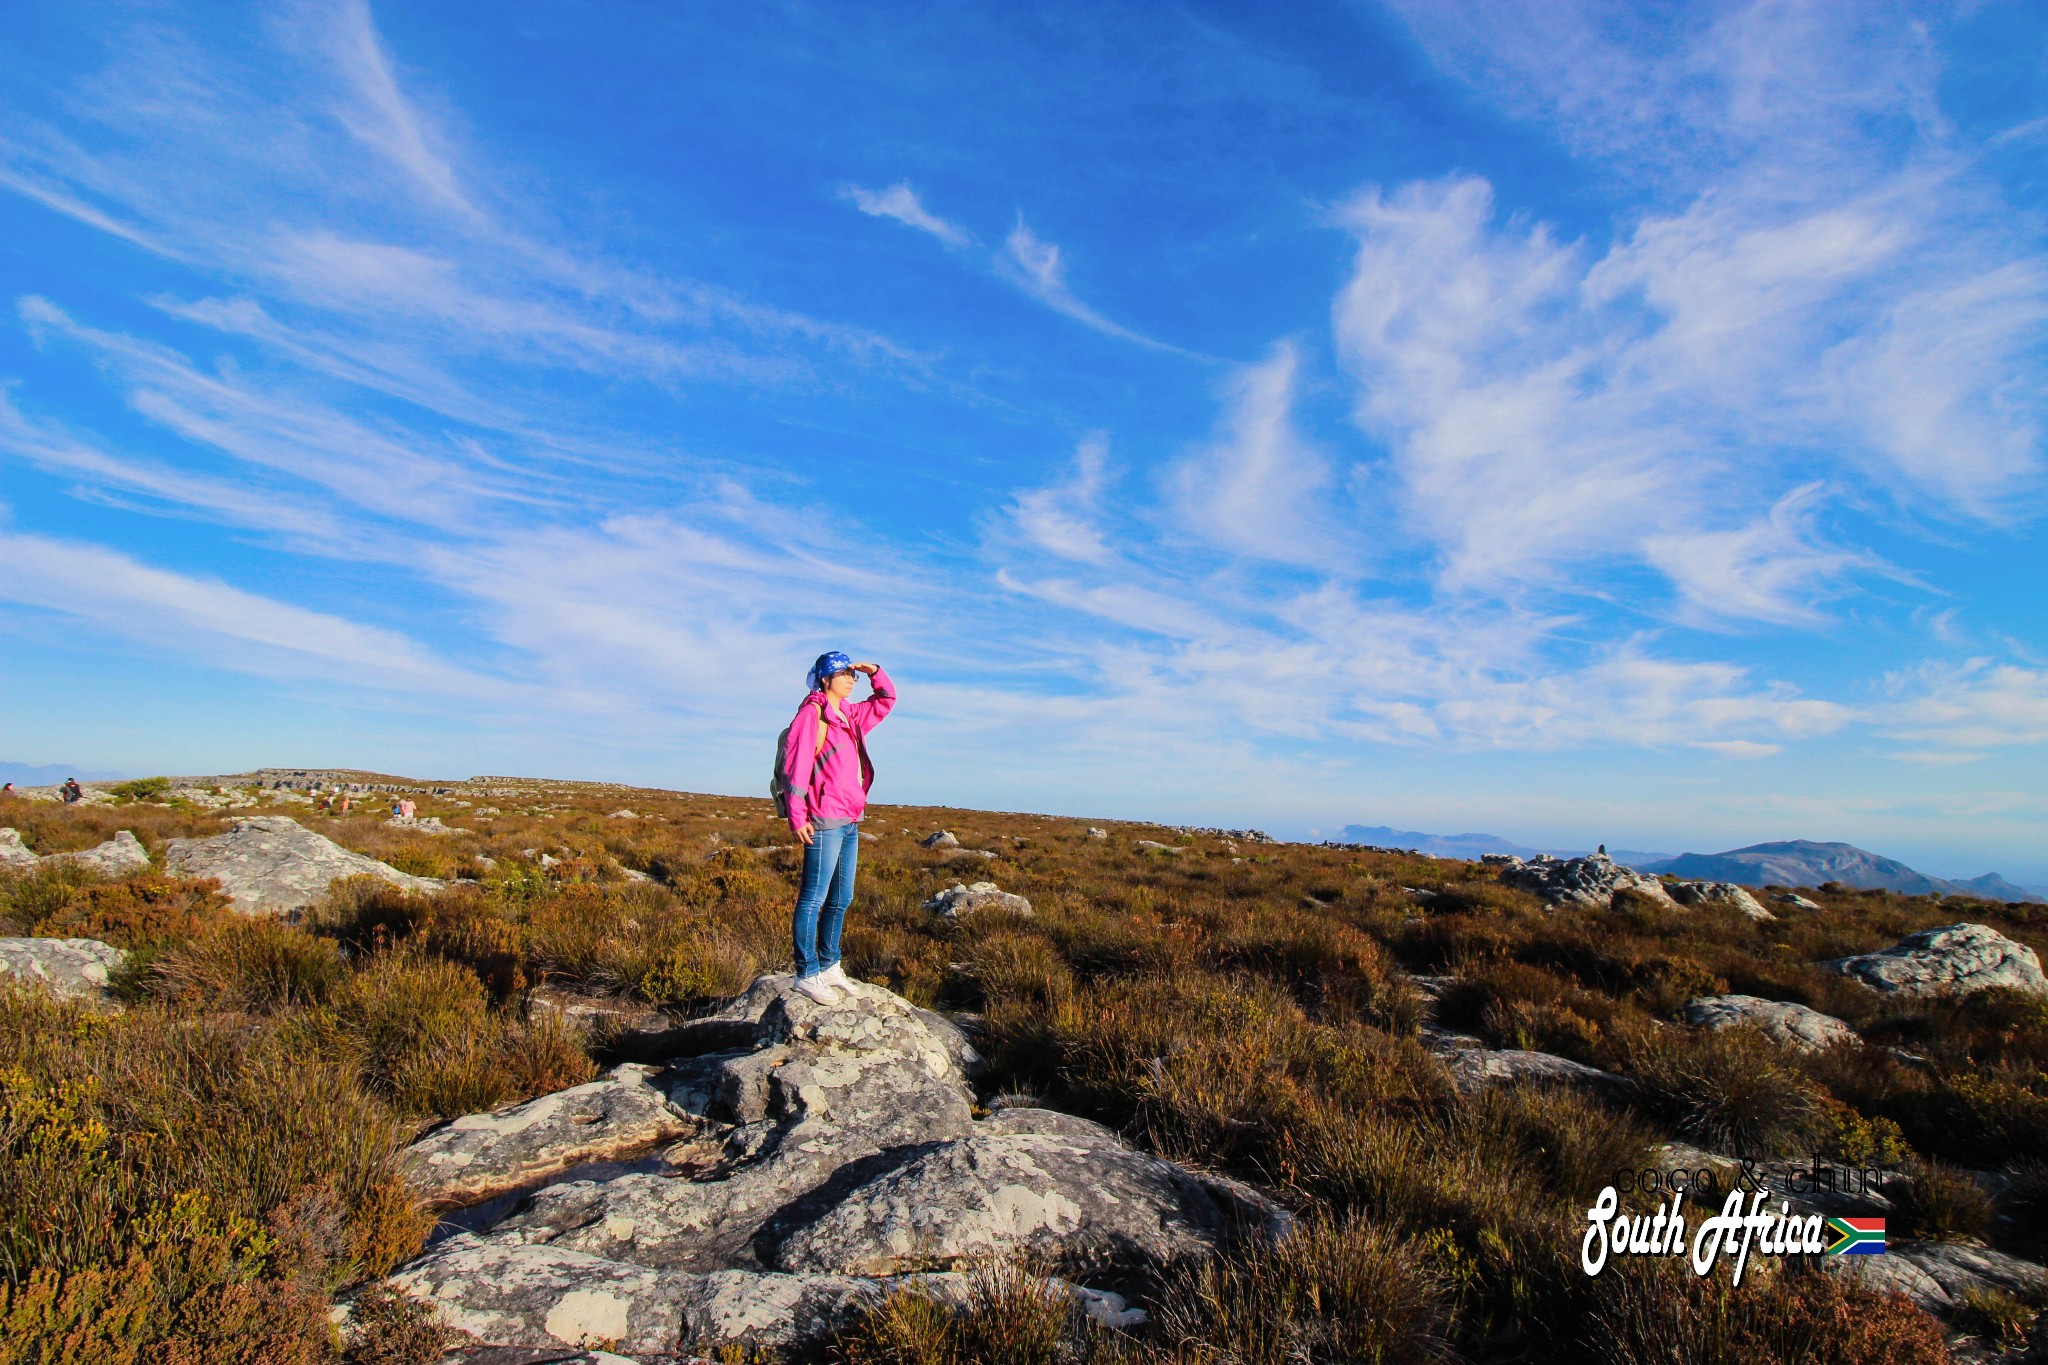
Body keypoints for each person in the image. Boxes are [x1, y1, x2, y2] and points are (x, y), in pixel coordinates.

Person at [781, 651, 895, 1004]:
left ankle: (830, 965)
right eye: (843, 674)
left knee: (842, 897)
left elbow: (886, 699)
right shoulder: (811, 715)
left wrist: (874, 671)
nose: (850, 679)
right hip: (823, 818)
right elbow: (795, 766)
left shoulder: (851, 714)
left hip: (849, 818)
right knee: (813, 898)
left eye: (852, 674)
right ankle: (807, 972)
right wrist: (797, 814)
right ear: (824, 679)